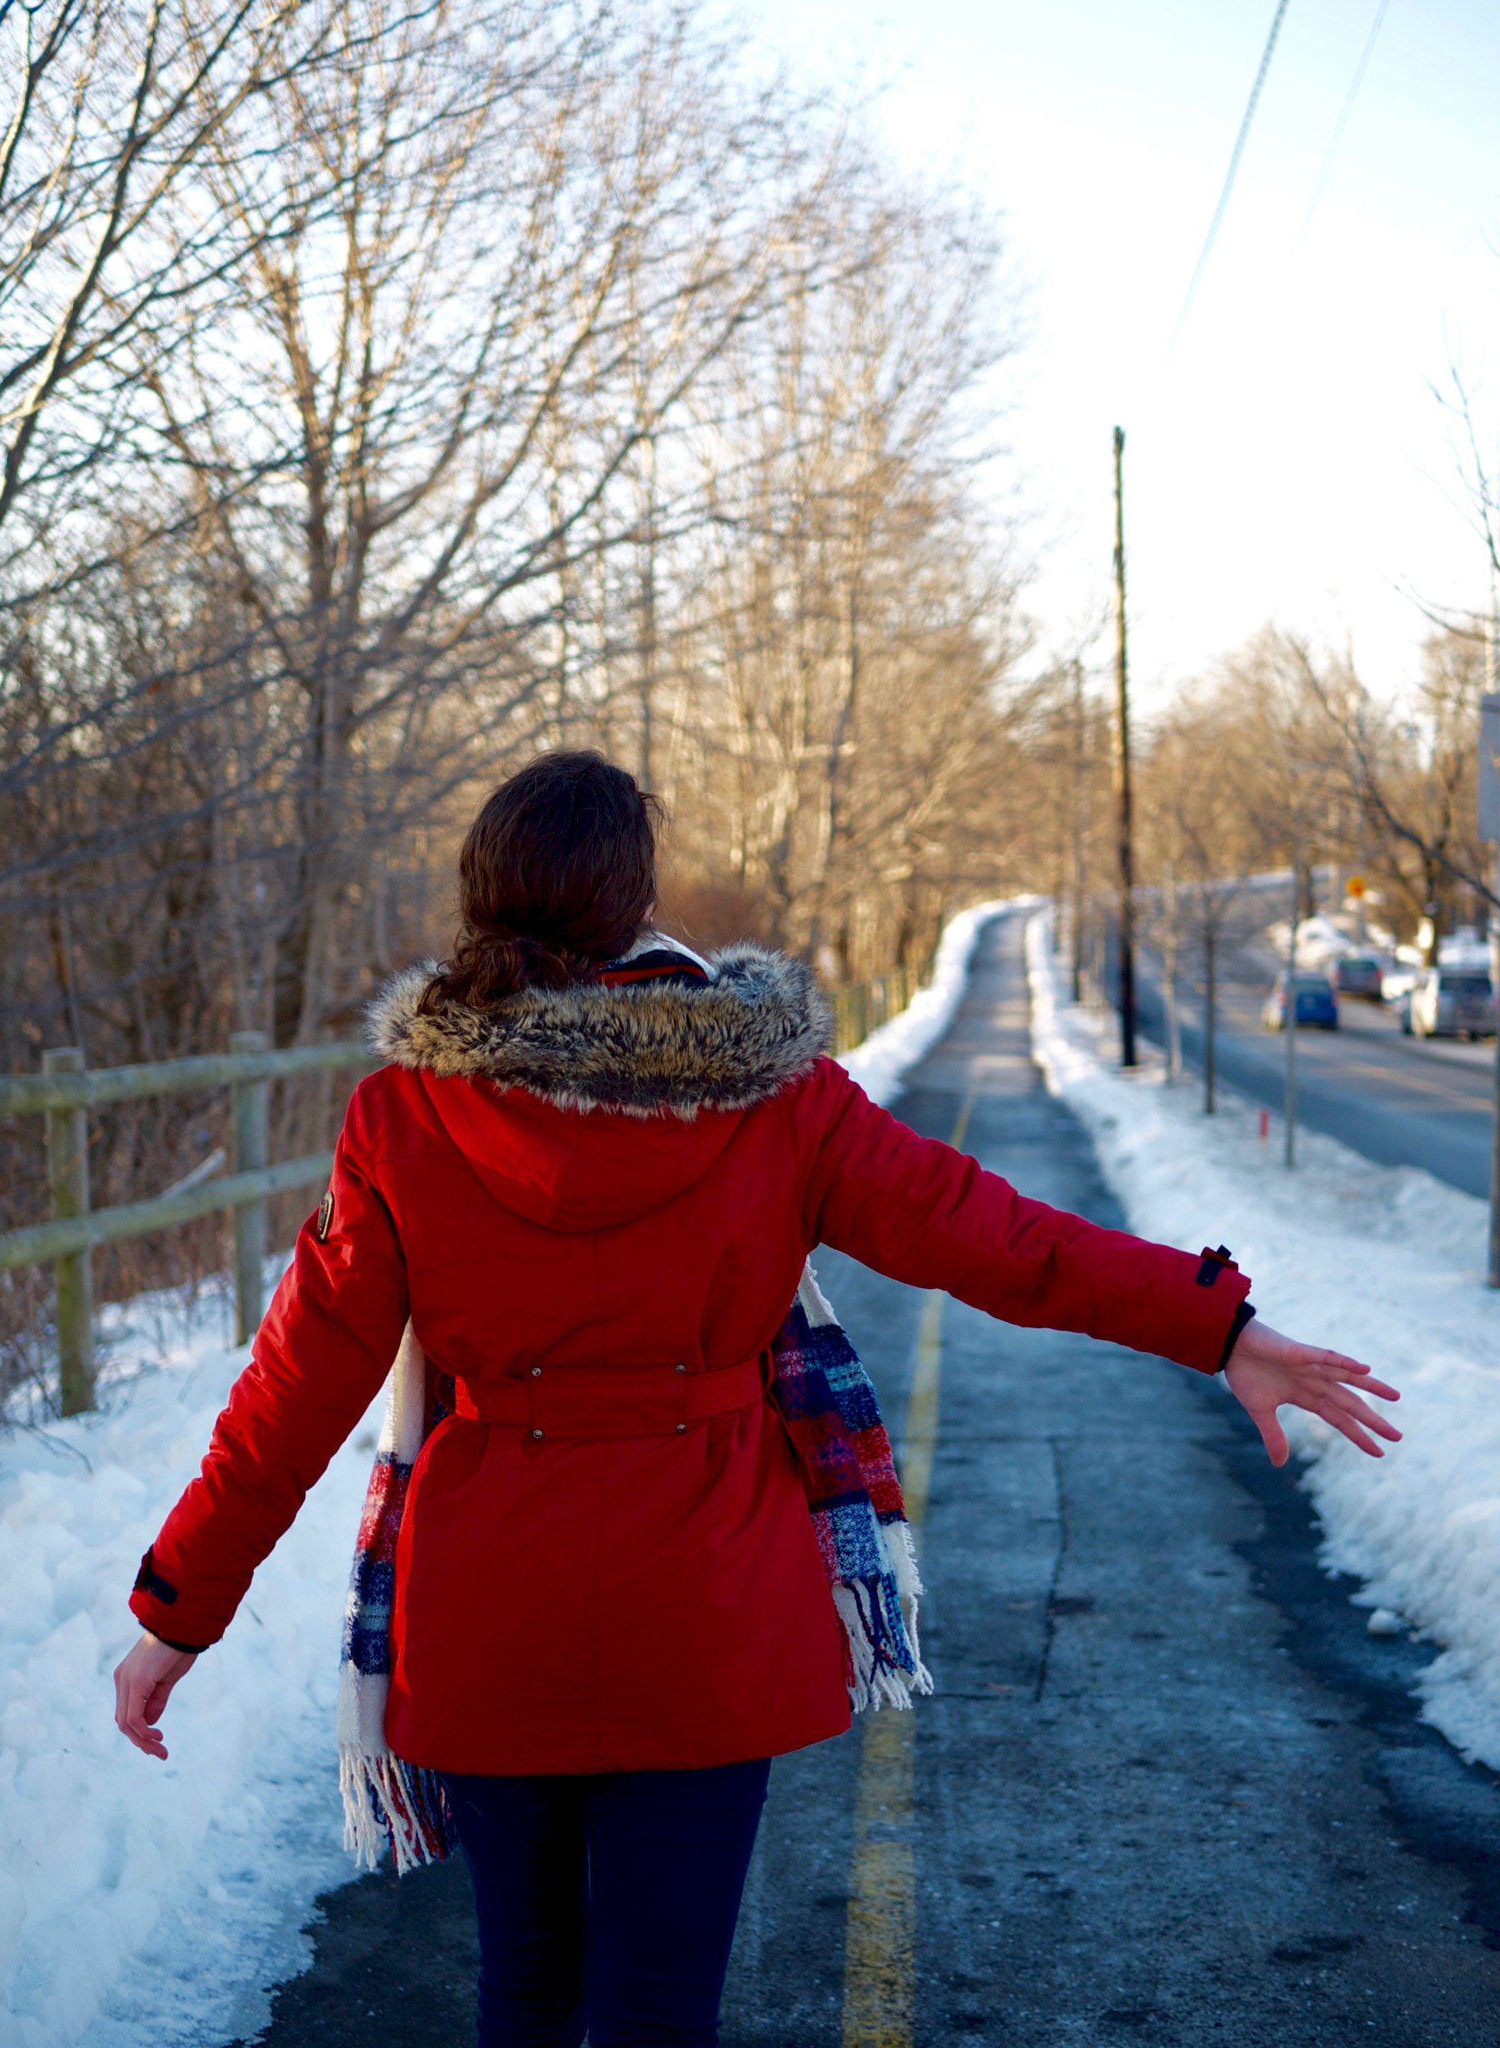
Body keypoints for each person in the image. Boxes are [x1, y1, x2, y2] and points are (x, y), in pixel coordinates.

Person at [113, 750, 1400, 2047]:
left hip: (488, 1616)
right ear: (636, 901)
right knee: (660, 2012)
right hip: (707, 1618)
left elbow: (293, 1392)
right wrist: (1214, 1323)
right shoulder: (774, 1098)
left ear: (482, 895)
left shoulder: (404, 1114)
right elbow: (996, 1237)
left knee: (525, 1996)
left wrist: (179, 1612)